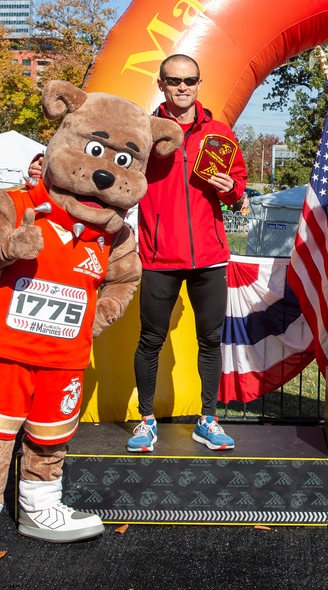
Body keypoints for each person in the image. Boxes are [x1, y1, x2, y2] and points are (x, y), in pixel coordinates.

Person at [127, 54, 248, 452]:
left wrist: (229, 186)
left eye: (190, 80)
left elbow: (238, 190)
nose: (182, 87)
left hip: (209, 257)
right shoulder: (144, 131)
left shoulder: (219, 131)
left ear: (199, 83)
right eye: (174, 80)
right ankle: (146, 421)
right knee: (151, 340)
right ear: (160, 84)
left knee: (210, 341)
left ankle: (207, 420)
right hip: (160, 257)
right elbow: (124, 182)